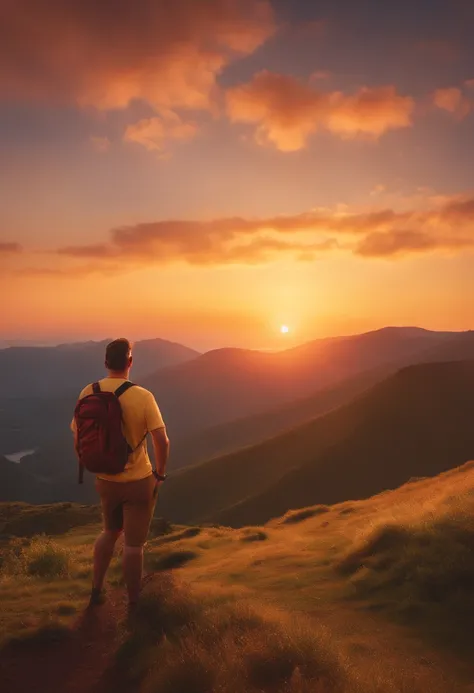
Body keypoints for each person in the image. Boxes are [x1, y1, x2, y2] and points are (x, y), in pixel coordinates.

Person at [71, 338, 169, 610]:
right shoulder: (142, 396)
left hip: (104, 480)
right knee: (134, 546)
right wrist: (159, 475)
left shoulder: (87, 392)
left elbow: (78, 438)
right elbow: (162, 441)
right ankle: (134, 603)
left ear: (105, 362)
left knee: (109, 531)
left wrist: (92, 463)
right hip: (138, 482)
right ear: (130, 363)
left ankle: (96, 590)